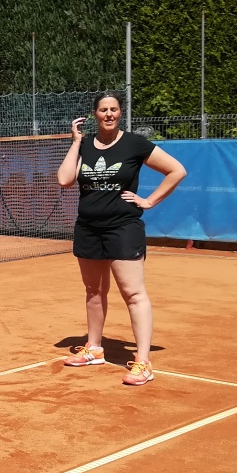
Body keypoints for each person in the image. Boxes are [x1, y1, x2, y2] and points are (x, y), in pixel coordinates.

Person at [57, 92, 187, 386]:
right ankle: (94, 348)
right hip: (88, 227)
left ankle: (143, 362)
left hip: (123, 227)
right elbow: (64, 179)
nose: (109, 114)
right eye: (103, 110)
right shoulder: (85, 145)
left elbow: (176, 170)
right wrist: (76, 142)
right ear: (95, 114)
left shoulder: (134, 144)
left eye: (113, 109)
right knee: (93, 291)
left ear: (120, 113)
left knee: (133, 293)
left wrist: (149, 201)